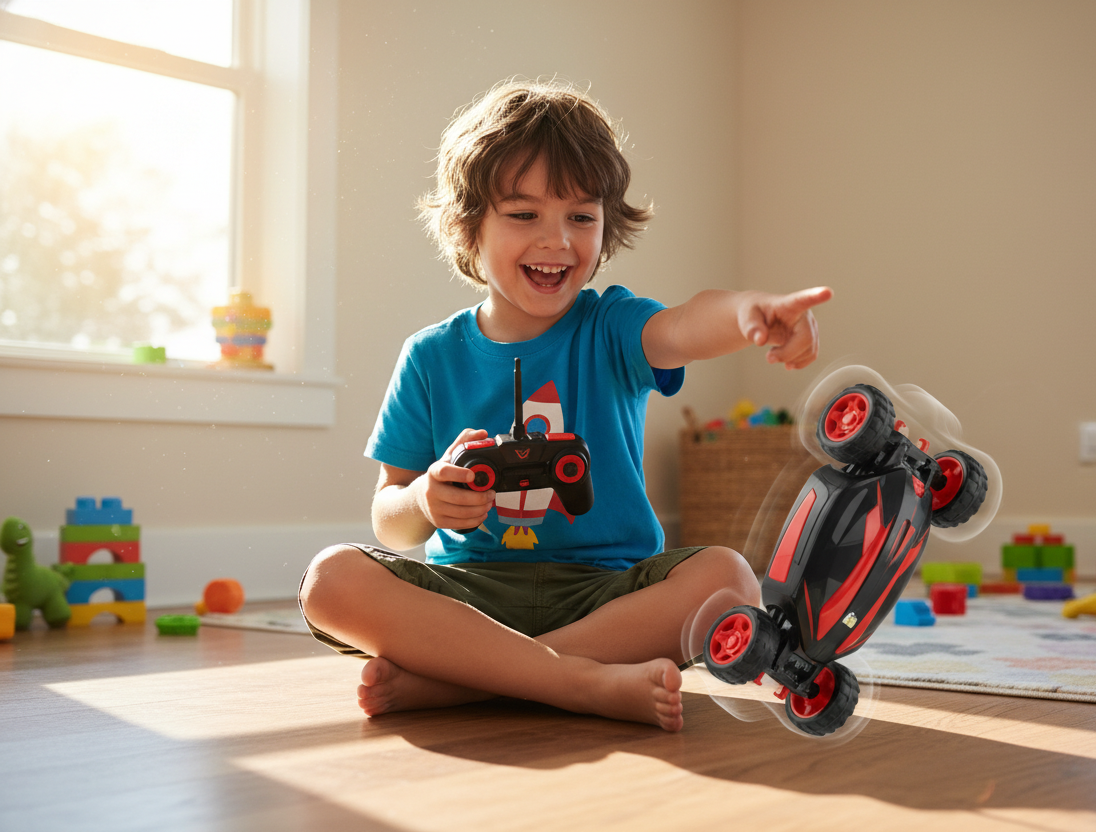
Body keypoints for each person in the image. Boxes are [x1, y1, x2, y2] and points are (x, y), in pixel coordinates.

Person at [299, 79, 832, 732]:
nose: (557, 241)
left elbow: (685, 324)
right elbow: (391, 521)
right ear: (468, 227)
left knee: (731, 581)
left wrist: (749, 310)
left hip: (606, 596)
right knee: (330, 580)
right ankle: (573, 681)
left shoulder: (612, 326)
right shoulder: (429, 356)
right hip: (468, 597)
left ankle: (467, 682)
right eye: (524, 215)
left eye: (581, 217)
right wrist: (425, 503)